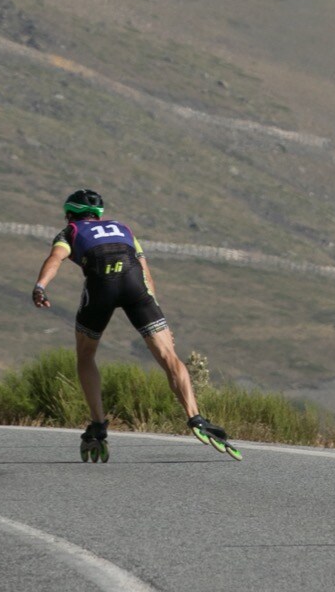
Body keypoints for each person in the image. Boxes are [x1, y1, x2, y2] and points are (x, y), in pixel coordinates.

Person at [31, 188, 239, 460]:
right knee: (168, 355)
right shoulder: (123, 229)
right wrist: (158, 314)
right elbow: (144, 270)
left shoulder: (69, 232)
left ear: (70, 214)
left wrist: (40, 286)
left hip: (101, 287)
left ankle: (98, 425)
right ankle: (196, 418)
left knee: (85, 355)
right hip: (135, 286)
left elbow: (55, 259)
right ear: (99, 214)